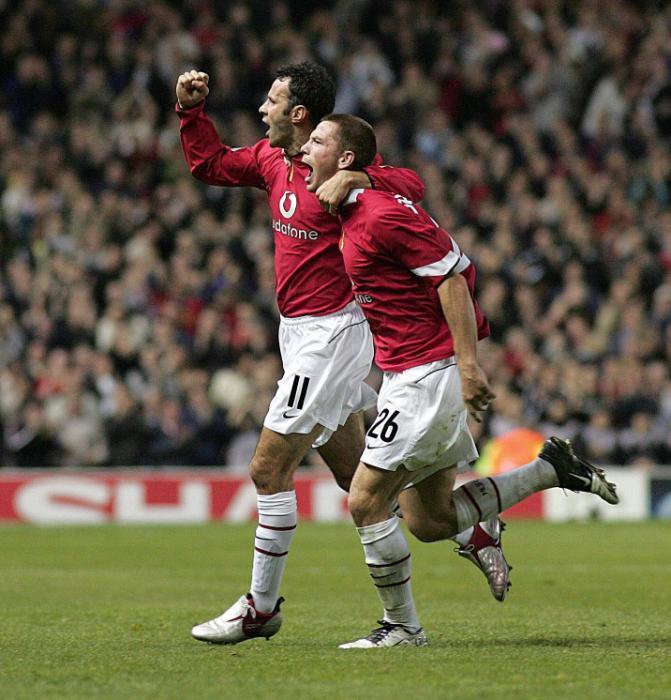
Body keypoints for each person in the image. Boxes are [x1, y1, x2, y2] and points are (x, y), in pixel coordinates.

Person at [176, 62, 510, 645]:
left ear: (298, 114)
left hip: (336, 335)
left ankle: (261, 606)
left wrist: (359, 182)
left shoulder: (346, 164)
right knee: (360, 481)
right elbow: (210, 164)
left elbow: (411, 187)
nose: (262, 109)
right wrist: (190, 112)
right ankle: (470, 532)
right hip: (297, 333)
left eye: (272, 100)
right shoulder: (271, 160)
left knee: (267, 468)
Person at [301, 114, 619, 648]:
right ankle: (550, 470)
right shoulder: (358, 202)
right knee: (429, 520)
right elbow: (408, 181)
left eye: (315, 142)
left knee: (364, 501)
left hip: (426, 374)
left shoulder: (380, 215)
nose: (304, 151)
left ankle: (402, 628)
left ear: (347, 160)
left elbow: (452, 275)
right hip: (411, 371)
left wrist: (468, 364)